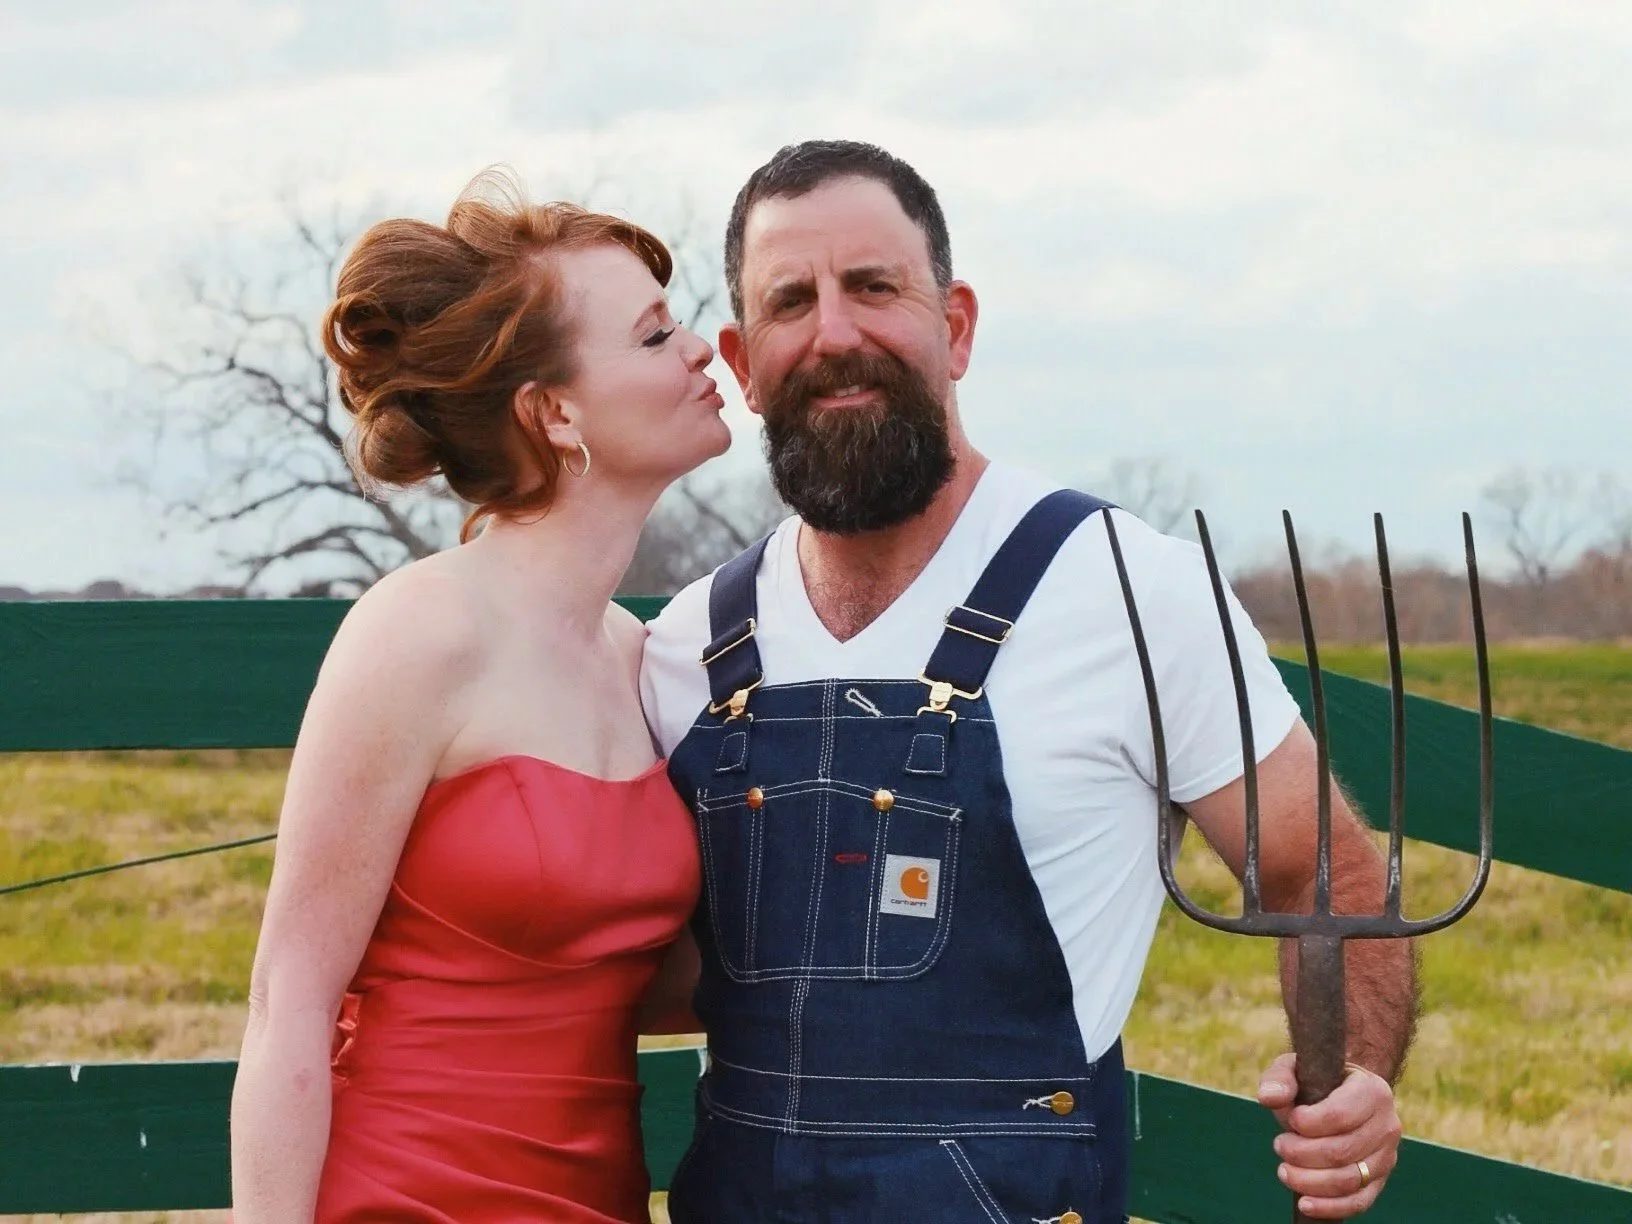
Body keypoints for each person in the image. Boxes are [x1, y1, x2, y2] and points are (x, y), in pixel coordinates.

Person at [640, 140, 1413, 1223]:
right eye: (791, 302)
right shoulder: (688, 648)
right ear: (743, 360)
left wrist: (1356, 1072)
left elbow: (1320, 868)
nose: (836, 334)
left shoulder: (1131, 594)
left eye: (874, 288)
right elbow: (641, 965)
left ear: (955, 327)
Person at [229, 169, 722, 1224]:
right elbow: (288, 1003)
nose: (700, 350)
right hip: (401, 1198)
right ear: (553, 411)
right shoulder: (419, 633)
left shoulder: (641, 655)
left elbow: (651, 975)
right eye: (653, 336)